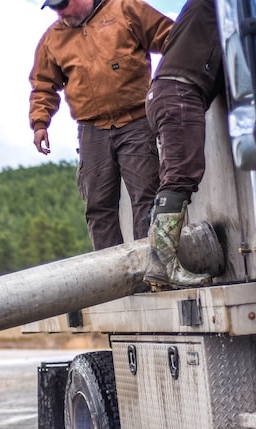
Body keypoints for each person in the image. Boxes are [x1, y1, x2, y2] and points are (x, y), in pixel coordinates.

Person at [29, 0, 173, 250]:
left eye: (63, 4)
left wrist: (174, 83)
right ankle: (116, 277)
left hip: (137, 122)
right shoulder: (53, 39)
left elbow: (171, 39)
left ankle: (153, 270)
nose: (59, 12)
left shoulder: (125, 9)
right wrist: (40, 122)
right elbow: (43, 85)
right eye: (53, 8)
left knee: (146, 199)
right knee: (98, 207)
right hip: (91, 130)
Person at [143, 0, 224, 288]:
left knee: (178, 176)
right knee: (180, 176)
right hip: (180, 90)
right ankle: (163, 265)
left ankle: (161, 263)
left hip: (167, 91)